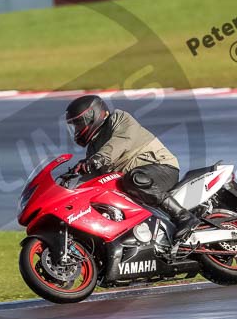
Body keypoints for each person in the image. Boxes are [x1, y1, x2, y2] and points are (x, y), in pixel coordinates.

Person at [65, 94, 200, 240]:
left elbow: (120, 142)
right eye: (74, 126)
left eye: (78, 124)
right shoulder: (93, 147)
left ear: (92, 116)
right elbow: (93, 178)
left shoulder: (119, 118)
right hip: (133, 181)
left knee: (134, 179)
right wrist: (71, 186)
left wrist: (98, 158)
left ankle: (184, 216)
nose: (77, 129)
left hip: (162, 168)